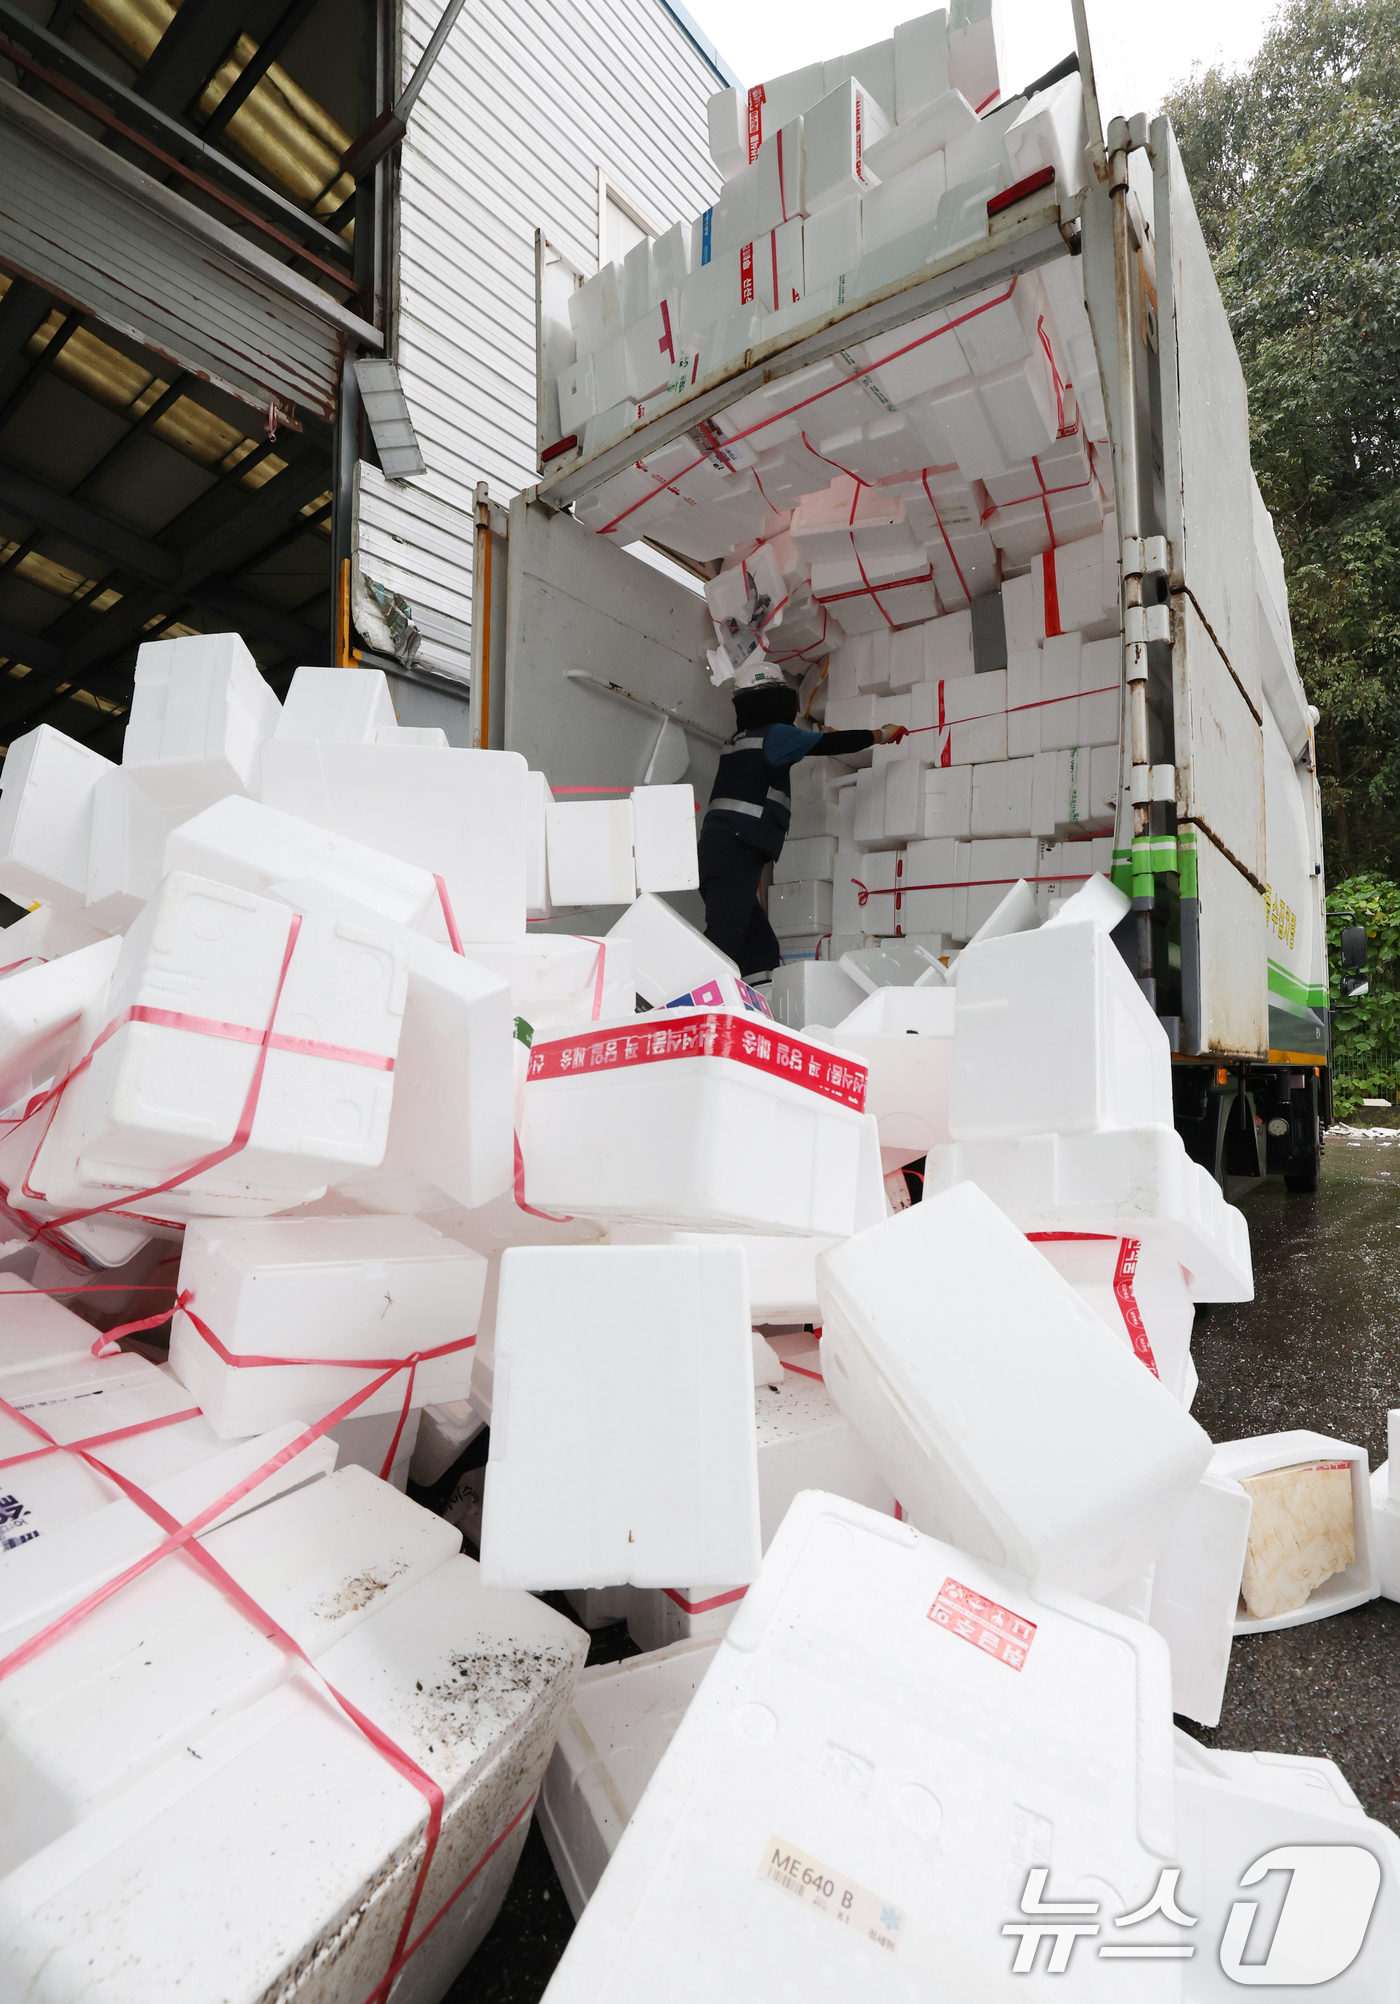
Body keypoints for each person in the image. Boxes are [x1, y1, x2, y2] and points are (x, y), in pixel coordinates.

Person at [699, 668, 907, 976]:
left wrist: (820, 736)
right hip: (737, 847)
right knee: (725, 938)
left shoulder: (738, 741)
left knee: (758, 945)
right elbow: (830, 746)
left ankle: (759, 1005)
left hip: (721, 847)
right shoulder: (777, 735)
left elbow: (805, 744)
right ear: (776, 698)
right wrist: (882, 734)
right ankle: (670, 1001)